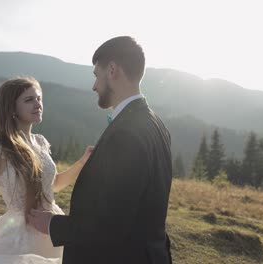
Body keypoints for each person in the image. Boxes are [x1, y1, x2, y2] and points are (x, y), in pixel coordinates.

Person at [29, 36, 173, 264]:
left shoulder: (126, 133)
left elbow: (111, 225)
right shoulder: (156, 123)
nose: (94, 85)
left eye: (97, 75)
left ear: (113, 70)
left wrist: (52, 224)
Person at [0, 77, 93, 264]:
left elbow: (53, 185)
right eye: (29, 100)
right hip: (18, 236)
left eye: (39, 98)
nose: (37, 104)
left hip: (50, 227)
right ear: (12, 108)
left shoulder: (40, 142)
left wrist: (82, 162)